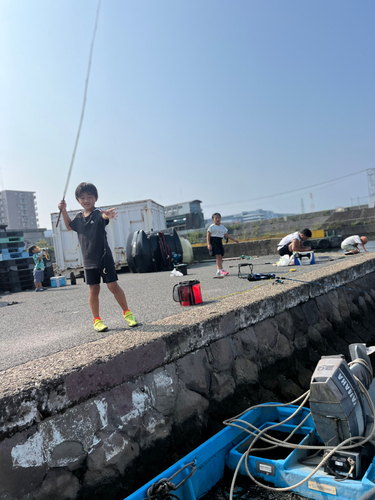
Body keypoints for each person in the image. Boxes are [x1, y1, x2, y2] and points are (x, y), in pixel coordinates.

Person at [58, 182, 138, 332]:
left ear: (95, 198)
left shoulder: (98, 212)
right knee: (93, 290)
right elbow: (69, 226)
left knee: (112, 286)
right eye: (82, 197)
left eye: (90, 196)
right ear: (78, 200)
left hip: (104, 258)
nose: (86, 200)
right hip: (88, 261)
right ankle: (97, 320)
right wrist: (63, 210)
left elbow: (104, 215)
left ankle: (127, 313)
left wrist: (107, 214)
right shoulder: (79, 217)